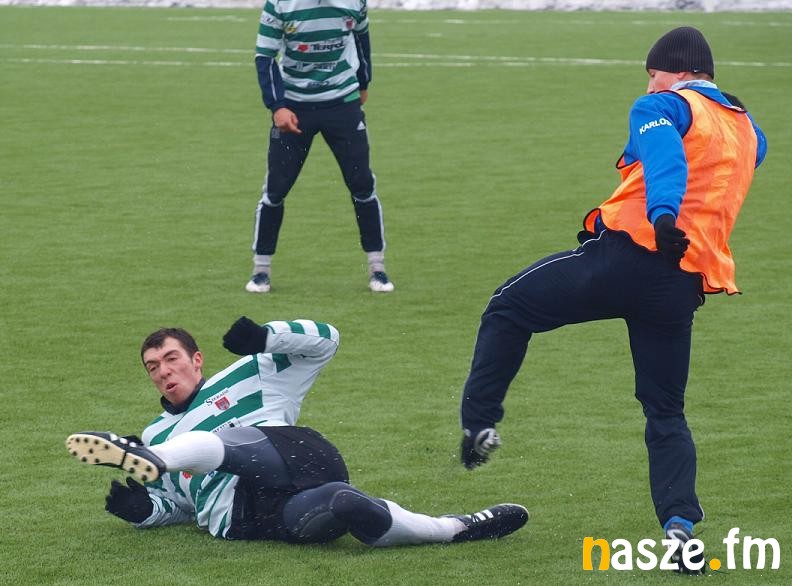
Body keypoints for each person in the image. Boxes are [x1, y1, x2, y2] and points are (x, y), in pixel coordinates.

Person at [456, 27, 766, 574]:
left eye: (654, 73)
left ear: (678, 71)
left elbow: (666, 157)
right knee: (666, 411)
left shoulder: (662, 106)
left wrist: (663, 215)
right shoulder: (748, 129)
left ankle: (479, 423)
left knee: (508, 307)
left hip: (630, 258)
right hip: (682, 284)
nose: (649, 84)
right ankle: (679, 527)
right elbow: (726, 167)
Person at [66, 316, 527, 546]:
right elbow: (180, 507)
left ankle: (455, 528)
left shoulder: (251, 372)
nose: (163, 371)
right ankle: (453, 529)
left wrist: (266, 337)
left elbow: (326, 340)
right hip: (244, 517)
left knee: (237, 444)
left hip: (294, 462)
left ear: (196, 359)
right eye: (153, 367)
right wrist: (144, 511)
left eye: (171, 359)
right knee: (346, 503)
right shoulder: (155, 431)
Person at [245, 0, 394, 294]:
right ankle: (261, 270)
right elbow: (265, 56)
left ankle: (377, 267)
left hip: (343, 103)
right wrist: (277, 106)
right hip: (295, 107)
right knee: (276, 189)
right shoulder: (280, 4)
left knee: (362, 183)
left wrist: (364, 82)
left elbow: (361, 38)